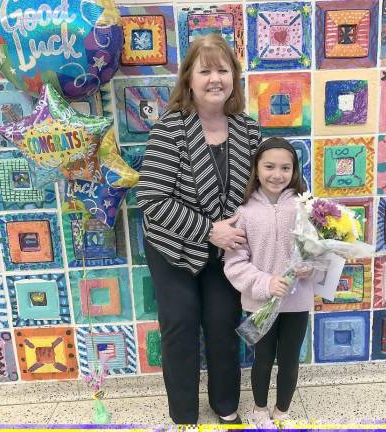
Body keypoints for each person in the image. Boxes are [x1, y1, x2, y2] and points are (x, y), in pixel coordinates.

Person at [137, 33, 261, 425]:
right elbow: (153, 202)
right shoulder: (170, 129)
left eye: (222, 70)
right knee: (181, 325)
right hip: (173, 247)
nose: (214, 79)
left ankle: (225, 406)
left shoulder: (248, 130)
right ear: (189, 77)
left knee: (225, 324)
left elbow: (260, 194)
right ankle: (184, 415)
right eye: (204, 70)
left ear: (234, 77)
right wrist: (210, 230)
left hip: (227, 252)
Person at [224, 137, 314, 429]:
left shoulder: (306, 208)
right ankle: (260, 408)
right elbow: (235, 264)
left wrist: (310, 266)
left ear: (295, 170)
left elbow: (321, 250)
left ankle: (282, 411)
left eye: (285, 168)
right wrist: (266, 282)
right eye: (270, 166)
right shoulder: (243, 213)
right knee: (262, 358)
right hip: (260, 303)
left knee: (289, 360)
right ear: (256, 168)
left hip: (297, 302)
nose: (277, 174)